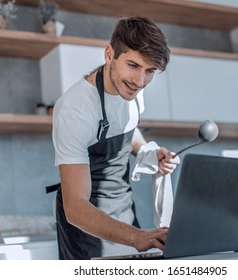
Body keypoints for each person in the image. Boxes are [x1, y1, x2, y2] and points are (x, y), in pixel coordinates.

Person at [51, 15, 180, 260]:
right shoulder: (74, 110)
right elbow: (76, 207)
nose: (140, 81)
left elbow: (126, 127)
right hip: (86, 225)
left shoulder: (132, 88)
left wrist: (146, 152)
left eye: (150, 71)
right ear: (110, 54)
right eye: (133, 65)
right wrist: (136, 236)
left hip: (124, 211)